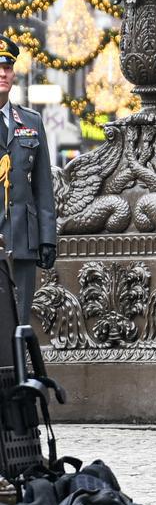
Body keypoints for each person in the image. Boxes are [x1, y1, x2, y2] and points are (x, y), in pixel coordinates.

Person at [0, 37, 57, 324]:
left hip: (22, 239)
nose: (2, 73)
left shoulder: (29, 122)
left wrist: (48, 238)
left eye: (7, 66)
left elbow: (43, 187)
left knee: (20, 323)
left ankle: (19, 371)